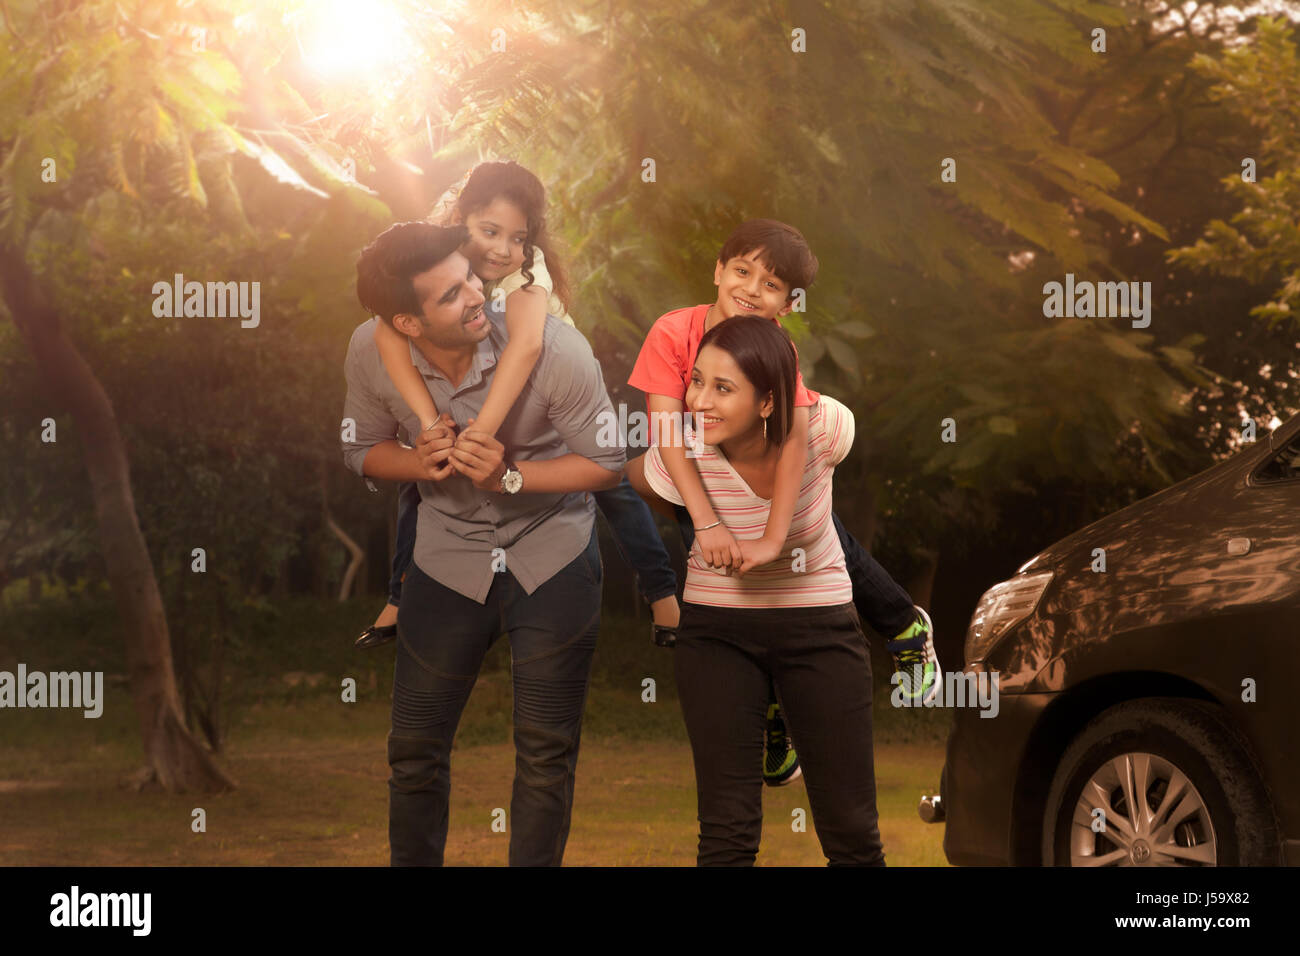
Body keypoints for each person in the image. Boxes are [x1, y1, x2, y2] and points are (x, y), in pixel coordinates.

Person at [342, 221, 625, 866]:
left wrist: (512, 476)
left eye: (470, 276)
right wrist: (420, 462)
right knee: (413, 750)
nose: (475, 294)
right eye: (448, 295)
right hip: (445, 562)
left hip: (551, 553)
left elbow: (608, 461)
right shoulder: (370, 350)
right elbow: (359, 449)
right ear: (405, 323)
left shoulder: (556, 347)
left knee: (545, 753)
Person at [627, 218, 939, 785]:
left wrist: (773, 533)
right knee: (715, 565)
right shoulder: (675, 331)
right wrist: (707, 521)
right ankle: (776, 703)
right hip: (699, 463)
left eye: (770, 284)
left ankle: (899, 631)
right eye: (742, 271)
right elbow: (668, 436)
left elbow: (793, 437)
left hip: (777, 461)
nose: (750, 288)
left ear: (788, 303)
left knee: (811, 533)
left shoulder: (779, 351)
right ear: (718, 271)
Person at [355, 161, 679, 649]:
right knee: (422, 477)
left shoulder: (526, 273)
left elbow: (527, 348)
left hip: (546, 384)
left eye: (517, 237)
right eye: (489, 231)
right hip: (474, 381)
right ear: (460, 217)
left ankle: (663, 597)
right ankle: (401, 596)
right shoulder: (432, 255)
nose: (502, 249)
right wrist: (431, 426)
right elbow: (387, 331)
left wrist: (479, 437)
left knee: (609, 480)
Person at [628, 315, 886, 865]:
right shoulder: (683, 454)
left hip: (821, 629)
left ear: (768, 402)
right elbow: (634, 475)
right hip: (717, 635)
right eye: (696, 381)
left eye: (723, 388)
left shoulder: (825, 430)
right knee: (726, 834)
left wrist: (772, 538)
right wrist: (698, 521)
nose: (699, 400)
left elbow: (805, 414)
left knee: (852, 832)